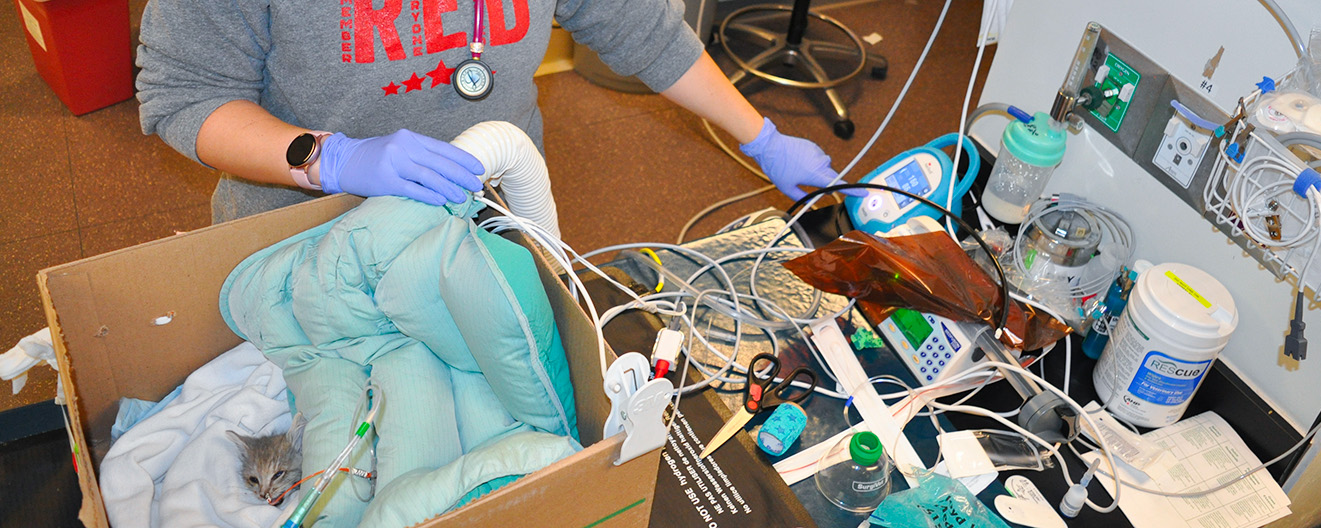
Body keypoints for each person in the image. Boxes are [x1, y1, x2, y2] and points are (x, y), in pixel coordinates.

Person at [135, 0, 848, 223]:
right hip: (303, 230)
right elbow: (185, 97)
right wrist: (331, 159)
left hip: (490, 213)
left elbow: (645, 33)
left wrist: (763, 136)